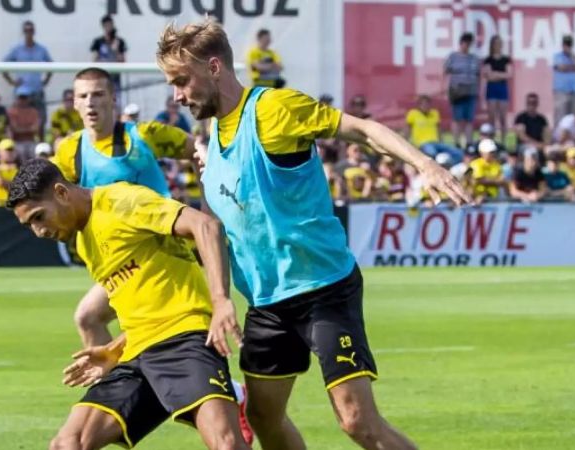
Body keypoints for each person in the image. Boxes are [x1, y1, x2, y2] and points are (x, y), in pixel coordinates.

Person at [157, 19, 471, 450]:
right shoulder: (210, 135)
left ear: (214, 68)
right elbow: (215, 223)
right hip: (267, 304)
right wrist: (219, 296)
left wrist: (425, 164)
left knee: (357, 422)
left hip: (324, 289)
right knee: (263, 416)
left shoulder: (273, 110)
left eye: (180, 80)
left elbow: (362, 129)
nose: (176, 95)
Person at [51, 67, 256, 443]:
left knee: (90, 314)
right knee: (96, 318)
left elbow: (197, 150)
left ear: (113, 98)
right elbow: (57, 195)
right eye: (83, 96)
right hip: (121, 253)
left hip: (165, 246)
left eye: (98, 94)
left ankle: (158, 382)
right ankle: (132, 381)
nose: (90, 103)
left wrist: (206, 210)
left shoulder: (144, 135)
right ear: (73, 103)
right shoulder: (70, 150)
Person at [6, 159, 248, 450]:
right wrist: (115, 350)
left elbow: (205, 225)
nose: (39, 231)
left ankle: (235, 397)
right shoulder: (84, 242)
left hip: (184, 340)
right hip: (136, 355)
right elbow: (143, 304)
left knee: (227, 444)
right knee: (67, 443)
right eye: (29, 224)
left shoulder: (122, 202)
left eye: (39, 217)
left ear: (61, 192)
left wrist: (220, 300)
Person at [3, 20, 53, 137]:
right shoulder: (17, 49)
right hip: (21, 92)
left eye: (30, 30)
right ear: (23, 32)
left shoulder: (41, 49)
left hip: (36, 90)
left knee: (41, 120)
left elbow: (51, 65)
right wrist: (11, 82)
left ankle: (41, 146)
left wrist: (46, 80)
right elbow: (3, 66)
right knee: (16, 120)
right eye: (26, 31)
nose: (28, 33)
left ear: (34, 32)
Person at [444, 32, 481, 148]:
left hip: (471, 91)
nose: (467, 46)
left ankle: (469, 142)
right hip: (457, 92)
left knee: (469, 119)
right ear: (461, 43)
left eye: (469, 43)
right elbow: (445, 73)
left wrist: (479, 90)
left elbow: (478, 75)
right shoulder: (453, 57)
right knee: (457, 118)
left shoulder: (474, 58)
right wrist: (447, 90)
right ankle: (456, 142)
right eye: (465, 43)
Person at [404, 94, 462, 163]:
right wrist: (405, 142)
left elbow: (439, 129)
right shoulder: (413, 114)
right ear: (419, 105)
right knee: (432, 153)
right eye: (423, 104)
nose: (426, 106)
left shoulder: (434, 113)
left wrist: (441, 140)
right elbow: (407, 129)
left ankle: (448, 166)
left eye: (428, 104)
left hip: (436, 142)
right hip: (422, 144)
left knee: (458, 153)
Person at [481, 35, 512, 144]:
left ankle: (503, 141)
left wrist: (495, 74)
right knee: (492, 117)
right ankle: (491, 140)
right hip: (492, 88)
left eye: (499, 43)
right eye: (495, 43)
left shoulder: (505, 59)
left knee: (503, 117)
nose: (497, 45)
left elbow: (509, 74)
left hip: (502, 88)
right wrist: (500, 74)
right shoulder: (488, 60)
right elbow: (488, 75)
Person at [552, 34, 575, 124]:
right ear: (562, 45)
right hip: (562, 91)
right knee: (560, 116)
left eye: (569, 45)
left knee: (574, 117)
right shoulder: (557, 56)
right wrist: (574, 67)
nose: (567, 47)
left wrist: (572, 60)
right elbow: (561, 68)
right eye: (565, 44)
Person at [90, 15, 127, 90]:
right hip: (102, 76)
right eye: (106, 25)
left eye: (110, 25)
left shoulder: (119, 41)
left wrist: (116, 50)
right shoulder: (98, 42)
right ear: (103, 26)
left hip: (115, 77)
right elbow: (94, 60)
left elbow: (123, 61)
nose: (109, 27)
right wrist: (104, 62)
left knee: (115, 98)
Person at [7, 93, 41, 162]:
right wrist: (29, 128)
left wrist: (22, 128)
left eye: (25, 98)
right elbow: (15, 129)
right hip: (18, 141)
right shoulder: (12, 111)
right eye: (21, 98)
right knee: (21, 152)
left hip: (31, 140)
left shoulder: (33, 111)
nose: (23, 101)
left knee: (35, 151)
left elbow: (35, 128)